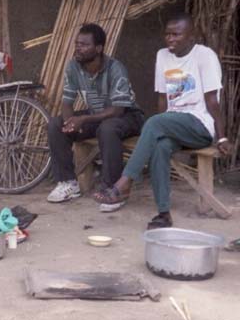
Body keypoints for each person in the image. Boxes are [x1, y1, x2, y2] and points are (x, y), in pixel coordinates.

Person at [95, 14, 231, 229]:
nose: (170, 39)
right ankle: (163, 214)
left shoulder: (204, 56)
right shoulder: (163, 56)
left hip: (199, 126)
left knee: (155, 123)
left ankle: (124, 182)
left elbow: (212, 101)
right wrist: (161, 125)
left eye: (176, 34)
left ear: (191, 36)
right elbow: (162, 98)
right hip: (173, 125)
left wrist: (222, 136)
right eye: (167, 34)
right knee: (159, 146)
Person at [46, 23, 144, 211]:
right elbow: (67, 102)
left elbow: (117, 111)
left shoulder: (116, 69)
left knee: (107, 128)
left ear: (98, 48)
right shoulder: (73, 67)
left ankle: (113, 189)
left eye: (84, 45)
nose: (78, 48)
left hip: (129, 115)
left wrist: (82, 120)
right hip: (97, 115)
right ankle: (68, 183)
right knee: (55, 125)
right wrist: (69, 123)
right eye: (77, 44)